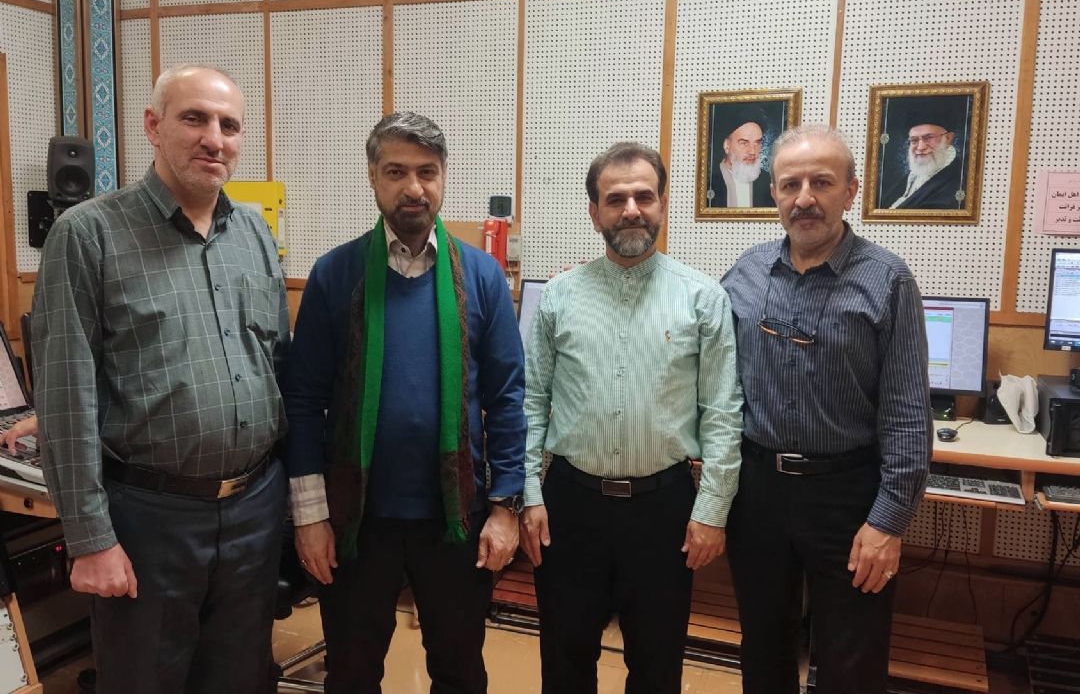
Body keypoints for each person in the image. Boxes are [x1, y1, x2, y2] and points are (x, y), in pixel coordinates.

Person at [31, 65, 290, 694]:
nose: (214, 139)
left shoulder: (254, 232)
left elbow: (276, 363)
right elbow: (66, 395)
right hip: (149, 520)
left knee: (240, 680)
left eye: (230, 126)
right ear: (153, 125)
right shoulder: (87, 233)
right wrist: (90, 539)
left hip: (254, 510)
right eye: (194, 118)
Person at [283, 112, 526, 694]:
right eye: (396, 172)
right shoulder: (335, 274)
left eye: (427, 172)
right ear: (373, 177)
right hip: (355, 520)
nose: (413, 187)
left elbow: (508, 399)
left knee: (460, 671)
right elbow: (303, 402)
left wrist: (505, 508)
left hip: (456, 520)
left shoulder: (482, 276)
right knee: (351, 673)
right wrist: (310, 517)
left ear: (443, 178)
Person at [520, 142, 743, 693]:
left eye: (644, 196)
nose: (631, 210)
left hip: (663, 510)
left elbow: (722, 412)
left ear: (663, 203)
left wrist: (712, 510)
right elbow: (530, 402)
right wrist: (528, 494)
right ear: (594, 211)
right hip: (570, 506)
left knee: (657, 666)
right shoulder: (558, 297)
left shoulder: (703, 298)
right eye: (615, 199)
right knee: (565, 663)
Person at [720, 124, 932, 694]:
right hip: (757, 492)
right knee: (763, 648)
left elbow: (908, 414)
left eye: (822, 182)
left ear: (851, 190)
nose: (805, 198)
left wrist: (888, 522)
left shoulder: (888, 280)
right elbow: (702, 363)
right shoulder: (745, 274)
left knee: (851, 661)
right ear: (773, 193)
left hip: (849, 496)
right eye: (790, 184)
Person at [883, 104, 965, 209]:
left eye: (928, 138)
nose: (920, 147)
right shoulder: (913, 175)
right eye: (914, 140)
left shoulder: (960, 179)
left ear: (948, 138)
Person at [710, 106, 774, 208]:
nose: (752, 151)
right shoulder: (709, 181)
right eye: (744, 143)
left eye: (757, 143)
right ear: (727, 145)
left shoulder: (768, 182)